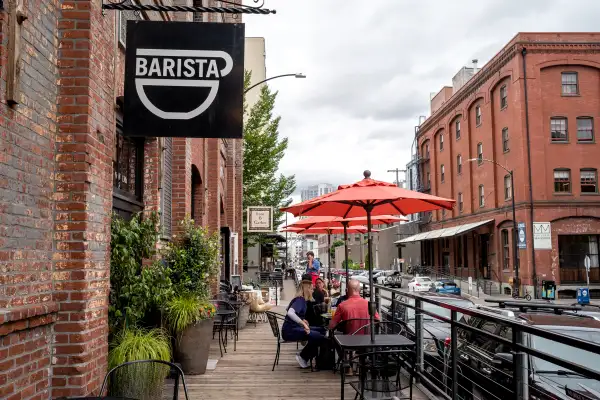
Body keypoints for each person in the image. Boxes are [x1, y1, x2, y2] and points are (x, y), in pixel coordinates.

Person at [282, 278, 326, 368]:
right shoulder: (300, 300)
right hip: (291, 331)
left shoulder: (299, 299)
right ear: (306, 289)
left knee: (322, 330)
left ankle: (305, 354)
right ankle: (303, 356)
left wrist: (301, 319)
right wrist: (303, 323)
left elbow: (288, 309)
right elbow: (290, 312)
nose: (312, 290)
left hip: (292, 328)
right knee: (319, 337)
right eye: (311, 289)